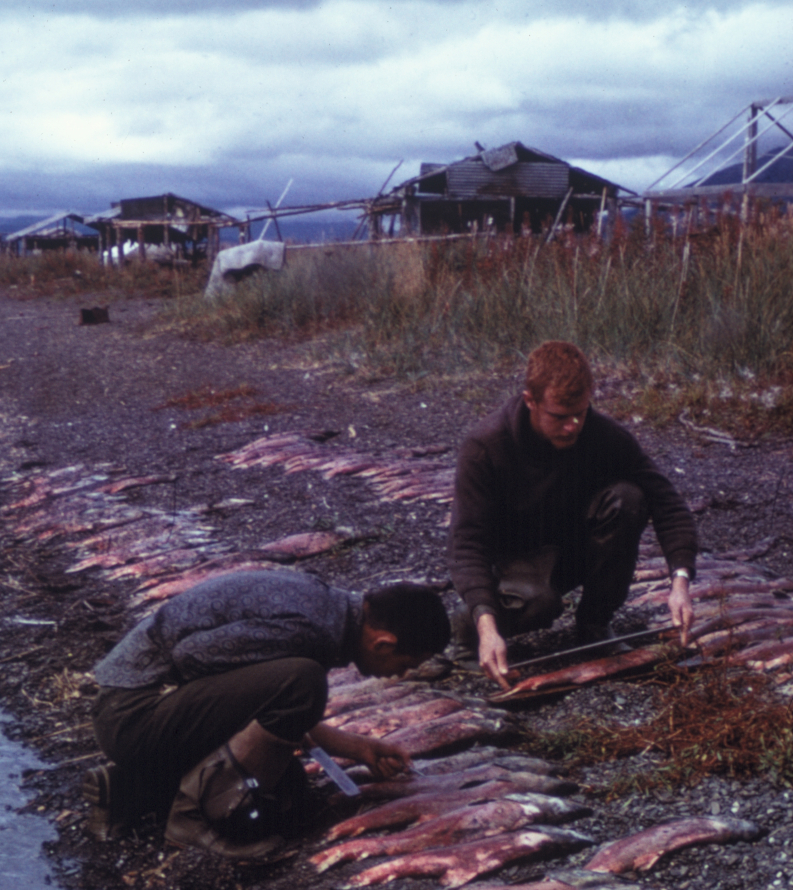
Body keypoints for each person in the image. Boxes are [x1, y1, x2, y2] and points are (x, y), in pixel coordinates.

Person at [83, 568, 451, 857]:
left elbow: (248, 697)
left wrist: (360, 748)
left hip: (141, 710)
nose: (401, 675)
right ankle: (191, 818)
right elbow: (191, 657)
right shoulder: (312, 630)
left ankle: (131, 790)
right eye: (407, 664)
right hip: (131, 718)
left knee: (289, 792)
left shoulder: (328, 608)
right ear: (384, 642)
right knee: (302, 682)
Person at [448, 341, 697, 691]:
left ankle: (595, 623)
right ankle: (464, 627)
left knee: (630, 498)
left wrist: (680, 582)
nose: (573, 426)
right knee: (539, 604)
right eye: (560, 417)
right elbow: (466, 545)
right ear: (530, 401)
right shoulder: (485, 447)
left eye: (580, 413)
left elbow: (667, 503)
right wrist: (487, 626)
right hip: (514, 561)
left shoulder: (604, 435)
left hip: (571, 549)